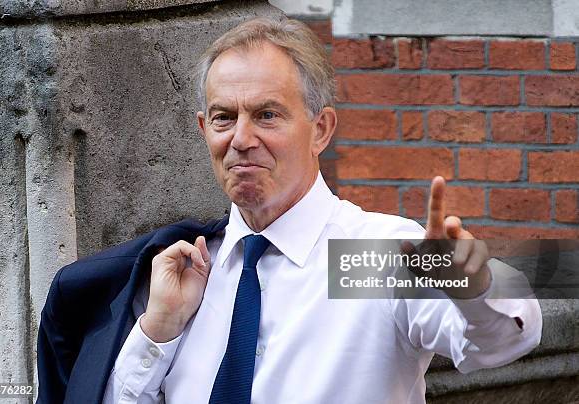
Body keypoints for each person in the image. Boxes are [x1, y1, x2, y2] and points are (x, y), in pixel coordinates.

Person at [39, 17, 542, 404]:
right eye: (223, 117)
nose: (241, 139)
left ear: (320, 129)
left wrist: (472, 290)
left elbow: (498, 344)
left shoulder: (367, 255)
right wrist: (157, 331)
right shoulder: (184, 271)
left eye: (267, 115)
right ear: (203, 129)